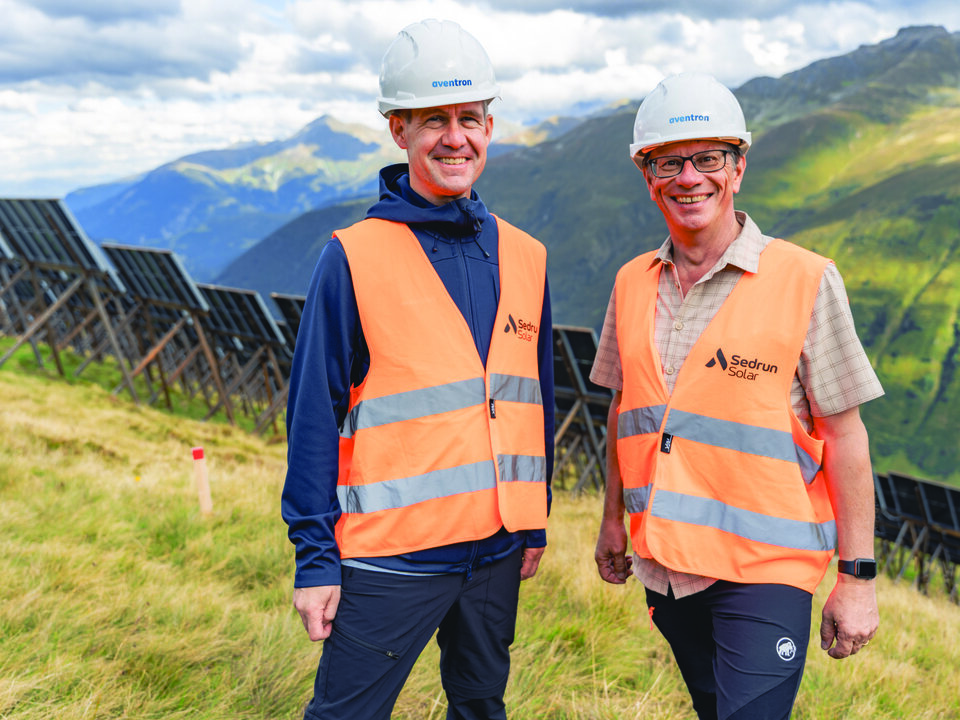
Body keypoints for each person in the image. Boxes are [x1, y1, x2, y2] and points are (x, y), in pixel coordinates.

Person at [281, 19, 553, 720]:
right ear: (399, 130)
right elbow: (313, 413)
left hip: (496, 552)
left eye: (470, 118)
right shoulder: (352, 256)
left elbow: (534, 399)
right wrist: (315, 557)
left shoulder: (526, 255)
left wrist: (534, 520)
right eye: (434, 120)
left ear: (490, 126)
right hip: (390, 558)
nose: (455, 137)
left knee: (481, 705)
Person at [591, 72, 883, 720]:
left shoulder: (806, 280)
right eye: (669, 162)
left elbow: (845, 434)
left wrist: (857, 579)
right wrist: (614, 520)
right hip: (666, 569)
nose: (689, 177)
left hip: (766, 574)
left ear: (738, 168)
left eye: (708, 159)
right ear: (648, 174)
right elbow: (625, 409)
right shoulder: (630, 284)